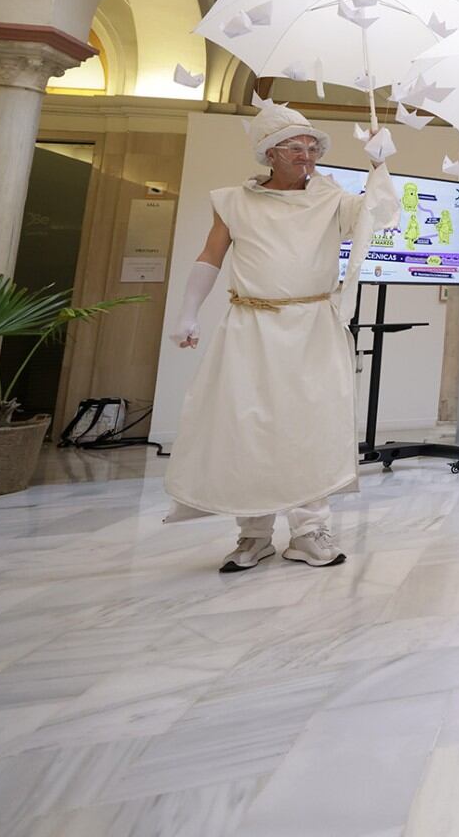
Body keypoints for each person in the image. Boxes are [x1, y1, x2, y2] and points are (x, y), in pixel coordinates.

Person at [165, 104, 396, 573]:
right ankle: (253, 534)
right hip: (251, 326)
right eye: (296, 146)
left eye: (313, 147)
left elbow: (381, 214)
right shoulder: (233, 201)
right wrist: (188, 313)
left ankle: (310, 530)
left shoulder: (331, 198)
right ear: (269, 153)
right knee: (248, 426)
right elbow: (210, 256)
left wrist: (378, 162)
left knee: (309, 427)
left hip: (312, 327)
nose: (307, 154)